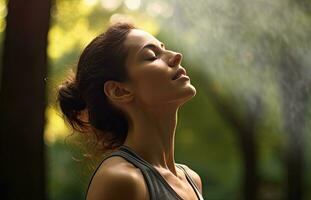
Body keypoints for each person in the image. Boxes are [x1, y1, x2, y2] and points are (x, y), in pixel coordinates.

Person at [57, 22, 204, 200]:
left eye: (164, 48)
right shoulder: (119, 180)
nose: (176, 56)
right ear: (119, 91)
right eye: (151, 56)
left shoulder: (192, 180)